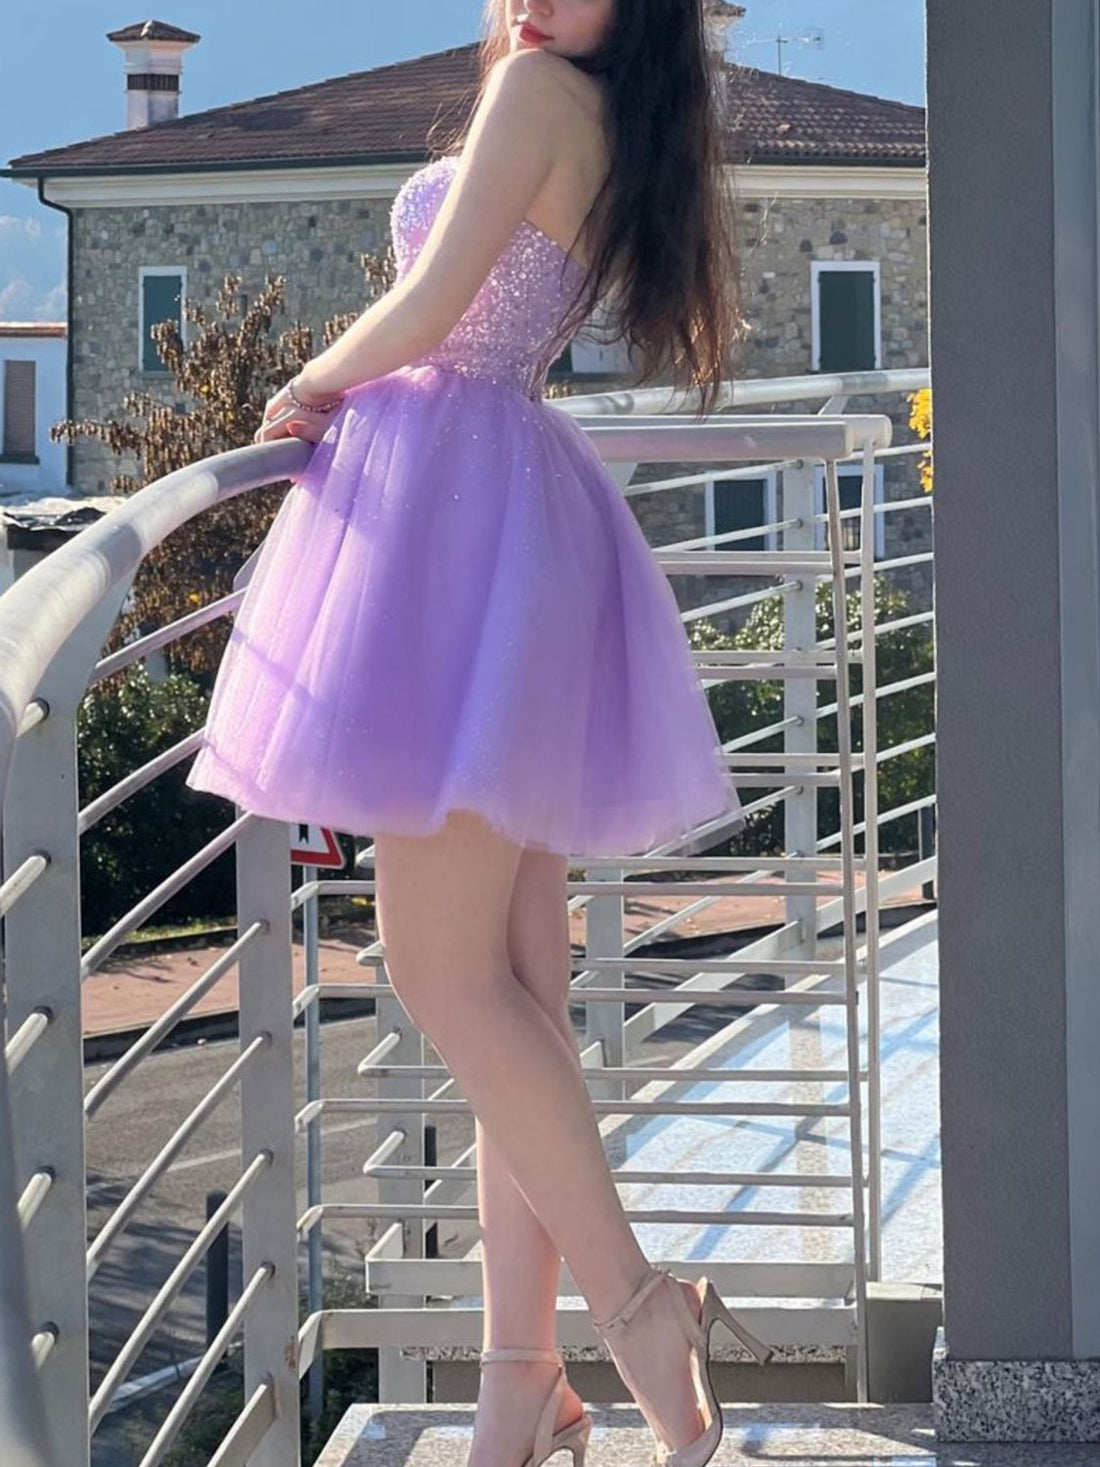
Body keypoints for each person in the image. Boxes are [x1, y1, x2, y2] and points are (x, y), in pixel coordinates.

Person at [186, 1, 772, 1464]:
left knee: (440, 972)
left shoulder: (537, 93)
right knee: (517, 997)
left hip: (458, 520)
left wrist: (305, 387)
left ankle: (639, 1307)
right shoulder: (619, 114)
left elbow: (433, 306)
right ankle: (522, 1375)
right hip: (512, 514)